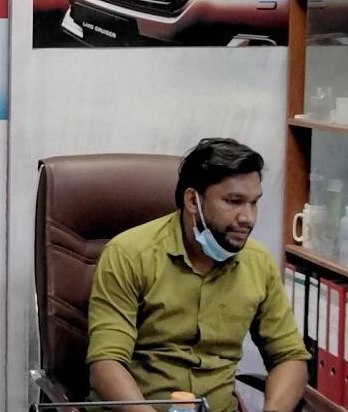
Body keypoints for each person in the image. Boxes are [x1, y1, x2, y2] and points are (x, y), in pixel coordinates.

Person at [86, 138, 309, 412]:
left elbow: (290, 357)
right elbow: (106, 364)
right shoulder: (128, 255)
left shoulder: (258, 263)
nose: (248, 218)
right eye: (234, 201)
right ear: (193, 200)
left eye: (254, 203)